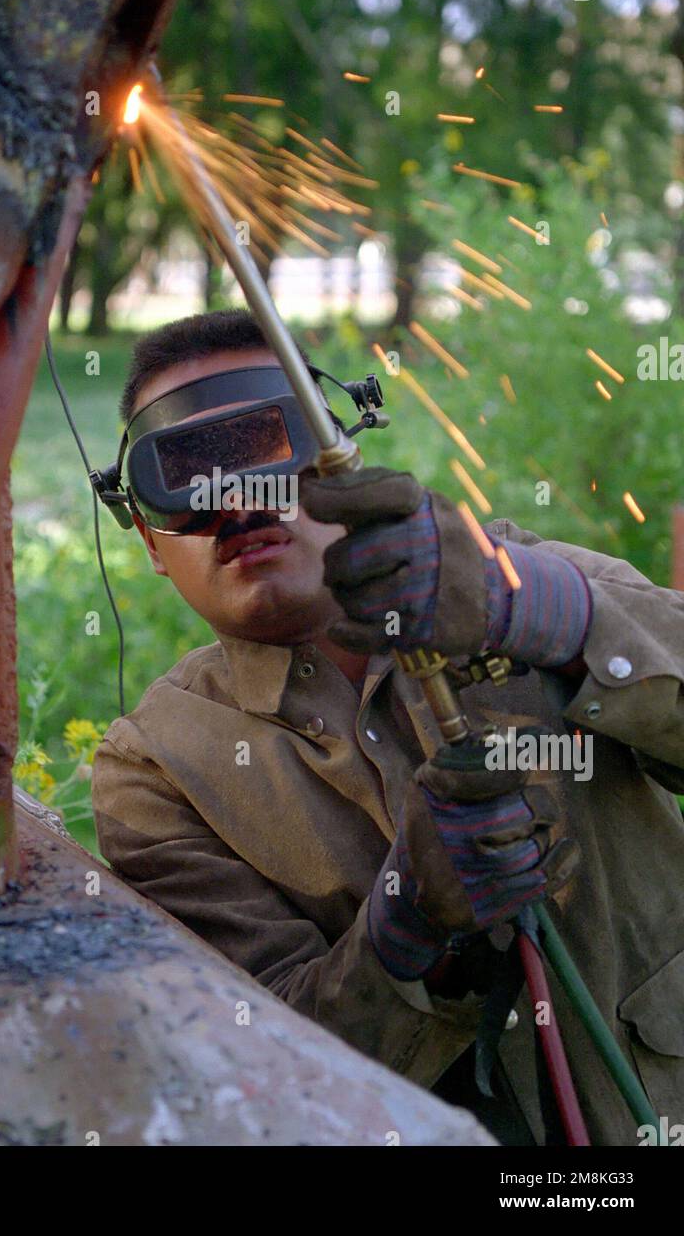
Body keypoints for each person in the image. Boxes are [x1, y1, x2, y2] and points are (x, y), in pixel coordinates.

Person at [92, 309, 684, 1145]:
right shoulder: (155, 768)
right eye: (186, 470)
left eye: (262, 443)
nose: (237, 501)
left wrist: (536, 613)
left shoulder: (509, 574)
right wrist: (409, 926)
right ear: (151, 539)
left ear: (336, 456)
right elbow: (264, 1063)